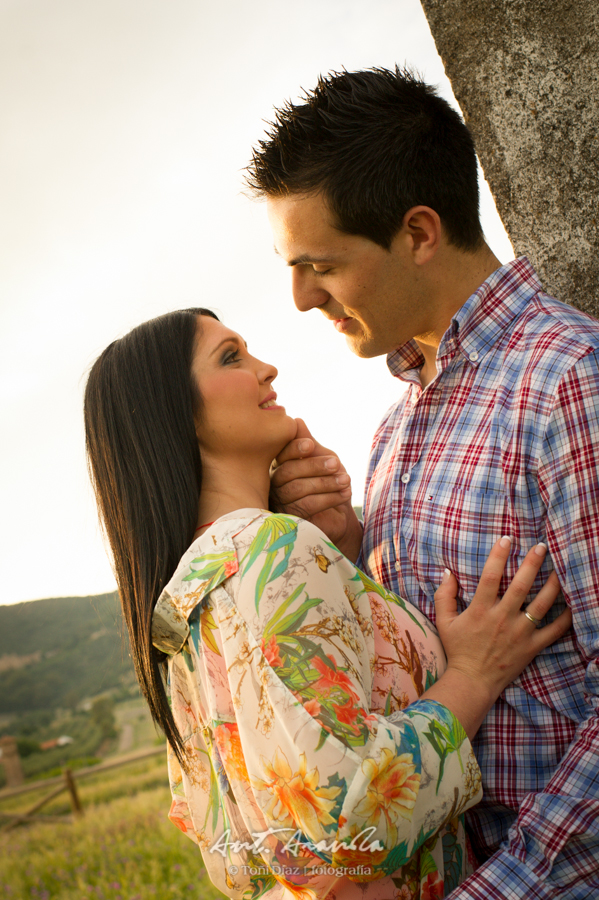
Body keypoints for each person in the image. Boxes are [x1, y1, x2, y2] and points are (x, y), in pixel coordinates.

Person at [247, 66, 599, 898]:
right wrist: (348, 550)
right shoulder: (397, 427)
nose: (300, 299)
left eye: (320, 264)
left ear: (417, 232)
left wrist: (498, 889)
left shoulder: (569, 384)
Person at [83, 309, 570, 900]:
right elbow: (353, 822)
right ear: (174, 413)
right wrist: (472, 675)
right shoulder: (270, 548)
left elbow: (244, 855)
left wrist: (341, 545)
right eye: (231, 357)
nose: (267, 369)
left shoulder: (189, 592)